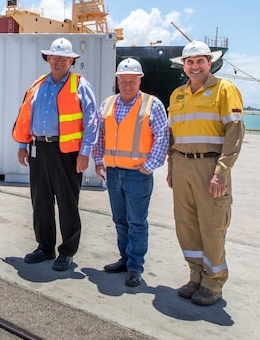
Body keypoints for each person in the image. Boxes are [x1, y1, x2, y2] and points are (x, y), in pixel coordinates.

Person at [166, 40, 244, 306]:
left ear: (210, 63)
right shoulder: (177, 94)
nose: (195, 66)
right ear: (183, 66)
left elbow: (235, 133)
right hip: (182, 165)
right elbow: (171, 134)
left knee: (212, 226)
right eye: (190, 62)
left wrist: (222, 171)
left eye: (200, 61)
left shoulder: (225, 90)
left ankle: (213, 282)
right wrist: (171, 167)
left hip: (210, 166)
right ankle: (196, 276)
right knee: (186, 225)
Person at [13, 37, 100, 272]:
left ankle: (67, 251)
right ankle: (45, 247)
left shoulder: (81, 85)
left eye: (64, 57)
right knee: (40, 200)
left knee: (67, 202)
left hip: (68, 153)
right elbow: (25, 115)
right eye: (55, 56)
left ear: (71, 60)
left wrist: (85, 152)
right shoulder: (38, 84)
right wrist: (22, 144)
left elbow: (92, 122)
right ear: (48, 58)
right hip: (39, 149)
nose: (59, 61)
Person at [91, 58, 169, 287]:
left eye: (132, 81)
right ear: (117, 80)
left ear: (139, 80)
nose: (127, 85)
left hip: (138, 174)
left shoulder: (151, 104)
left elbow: (162, 138)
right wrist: (98, 160)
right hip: (114, 173)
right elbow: (99, 135)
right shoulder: (107, 104)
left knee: (136, 222)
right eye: (123, 81)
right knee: (120, 220)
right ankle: (124, 260)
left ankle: (135, 266)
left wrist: (149, 166)